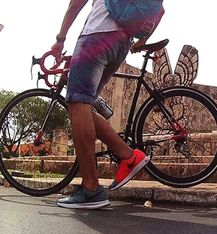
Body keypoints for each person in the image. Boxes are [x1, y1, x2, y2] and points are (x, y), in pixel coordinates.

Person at [52, 0, 163, 209]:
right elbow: (161, 9)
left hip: (97, 34)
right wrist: (143, 39)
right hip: (121, 43)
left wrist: (60, 39)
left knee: (77, 103)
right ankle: (128, 155)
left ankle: (91, 189)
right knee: (83, 104)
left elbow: (75, 3)